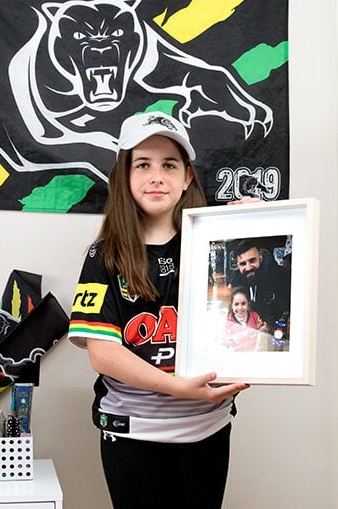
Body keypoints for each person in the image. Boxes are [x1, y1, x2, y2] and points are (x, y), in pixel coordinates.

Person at [68, 111, 249, 509]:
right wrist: (177, 387)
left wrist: (256, 223)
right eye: (143, 164)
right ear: (124, 176)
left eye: (169, 164)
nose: (156, 176)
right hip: (134, 432)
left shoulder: (220, 243)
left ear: (187, 178)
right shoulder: (105, 256)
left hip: (208, 427)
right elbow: (103, 354)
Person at [228, 239, 291, 334]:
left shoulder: (281, 276)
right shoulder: (237, 279)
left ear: (260, 259)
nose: (248, 267)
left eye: (252, 261)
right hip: (253, 331)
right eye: (243, 263)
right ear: (238, 265)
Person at [222, 286, 267, 352]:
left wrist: (263, 328)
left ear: (248, 304)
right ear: (231, 305)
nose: (240, 308)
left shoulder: (255, 316)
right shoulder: (229, 322)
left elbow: (260, 328)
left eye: (243, 303)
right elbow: (226, 341)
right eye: (236, 304)